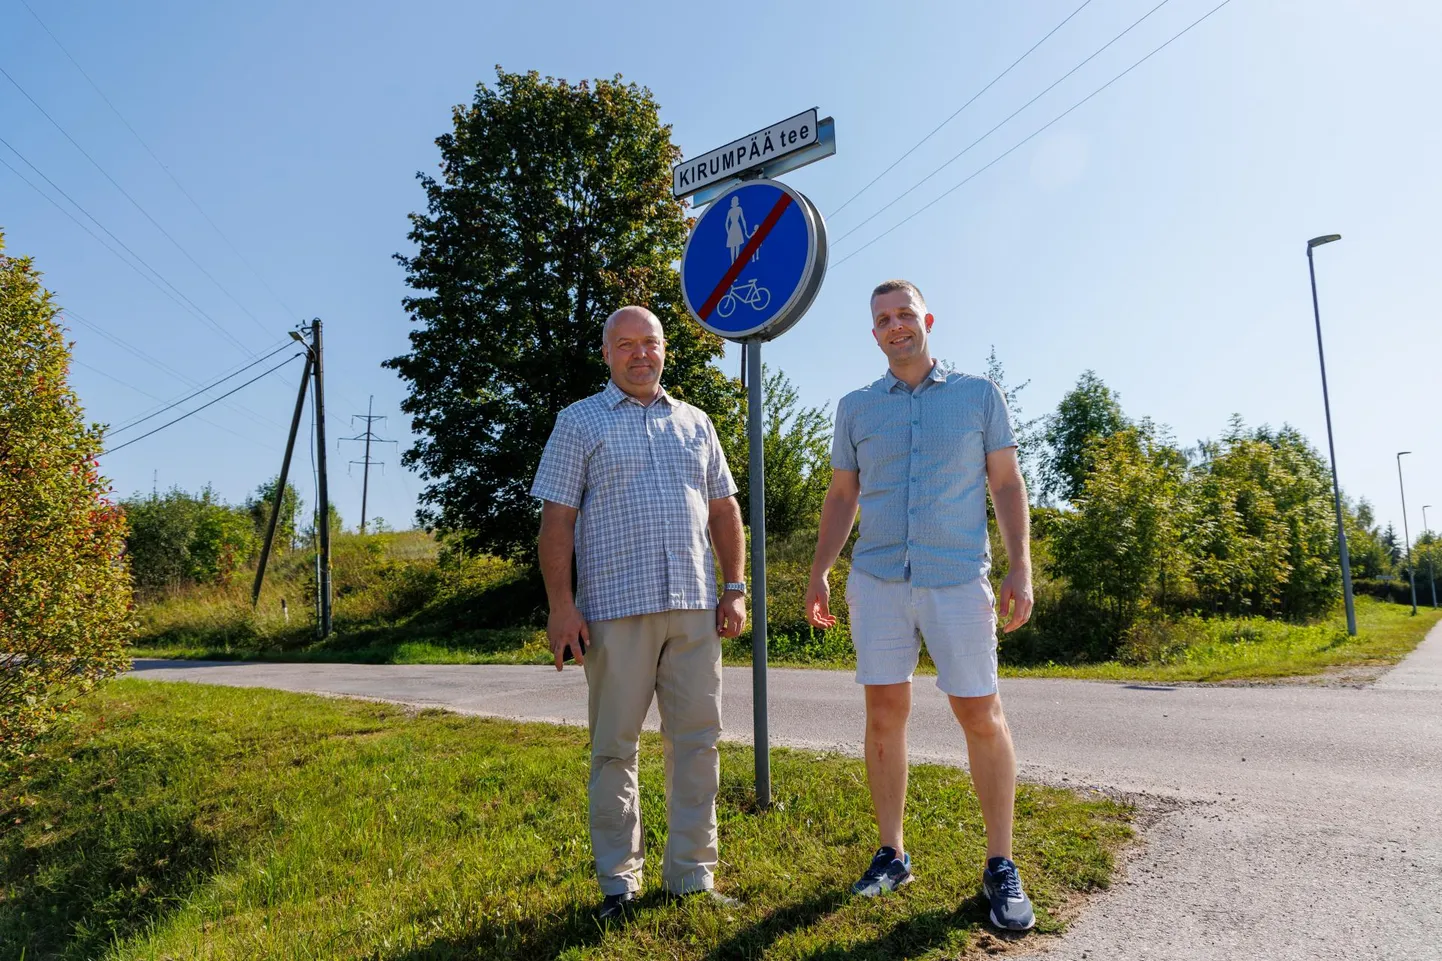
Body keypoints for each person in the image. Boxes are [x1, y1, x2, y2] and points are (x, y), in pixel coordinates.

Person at [804, 279, 1037, 931]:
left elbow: (1006, 482)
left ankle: (999, 865)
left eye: (905, 313)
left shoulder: (977, 395)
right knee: (884, 711)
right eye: (883, 318)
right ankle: (892, 851)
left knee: (980, 712)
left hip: (957, 577)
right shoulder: (854, 407)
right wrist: (820, 570)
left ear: (927, 319)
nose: (896, 324)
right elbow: (842, 495)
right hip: (876, 578)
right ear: (873, 333)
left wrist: (1022, 565)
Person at [531, 305, 748, 922]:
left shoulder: (696, 422)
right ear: (606, 353)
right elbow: (557, 522)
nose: (639, 354)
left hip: (693, 608)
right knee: (613, 750)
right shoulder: (579, 422)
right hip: (614, 610)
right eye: (625, 344)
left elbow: (723, 509)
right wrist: (561, 605)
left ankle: (691, 877)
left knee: (698, 743)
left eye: (649, 343)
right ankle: (619, 885)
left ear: (664, 350)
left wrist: (733, 587)